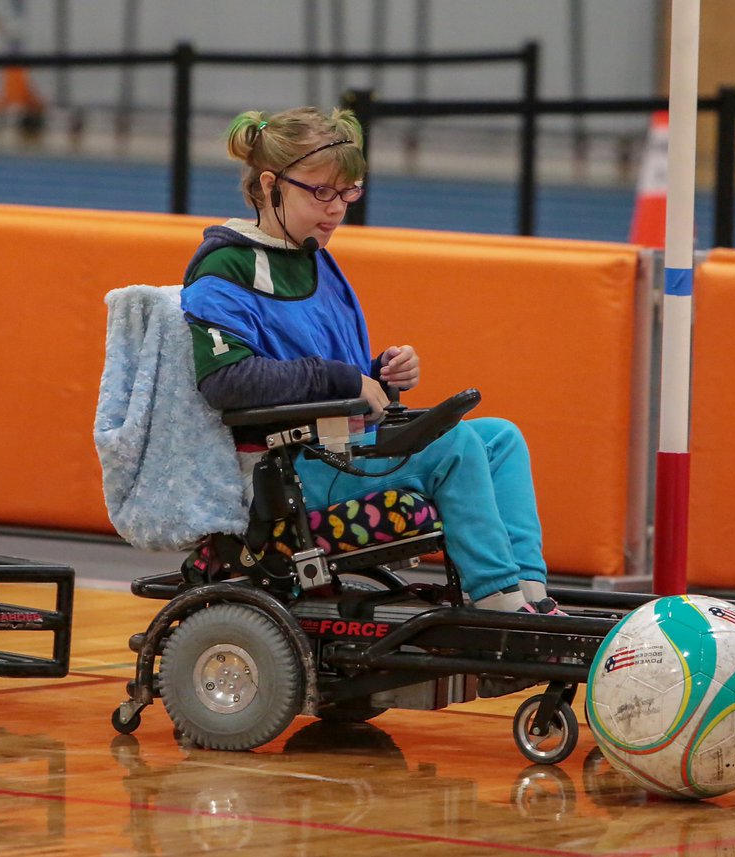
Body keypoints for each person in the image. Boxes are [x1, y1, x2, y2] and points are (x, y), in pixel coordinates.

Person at [180, 106, 561, 616]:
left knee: (501, 438)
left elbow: (329, 374)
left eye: (348, 192)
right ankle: (496, 599)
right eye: (321, 192)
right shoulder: (225, 268)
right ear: (270, 184)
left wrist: (381, 373)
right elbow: (226, 382)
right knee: (455, 442)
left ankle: (532, 594)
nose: (337, 208)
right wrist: (346, 378)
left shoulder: (312, 257)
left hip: (339, 448)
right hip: (287, 474)